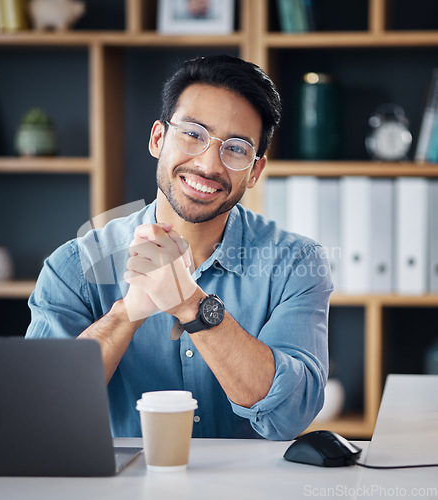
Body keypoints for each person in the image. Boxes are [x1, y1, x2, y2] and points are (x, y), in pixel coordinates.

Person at [26, 54, 333, 440]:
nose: (208, 165)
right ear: (158, 139)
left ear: (254, 171)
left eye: (236, 148)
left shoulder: (297, 264)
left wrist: (192, 305)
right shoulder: (73, 265)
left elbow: (290, 415)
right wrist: (127, 314)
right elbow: (39, 410)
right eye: (193, 134)